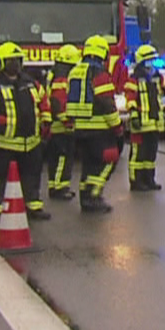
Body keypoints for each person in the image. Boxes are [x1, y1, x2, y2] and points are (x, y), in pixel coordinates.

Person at [0, 42, 51, 222]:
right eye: (10, 61)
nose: (14, 64)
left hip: (31, 142)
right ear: (0, 63)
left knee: (32, 174)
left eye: (17, 60)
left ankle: (33, 205)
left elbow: (43, 103)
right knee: (0, 177)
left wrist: (46, 121)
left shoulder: (30, 83)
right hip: (1, 143)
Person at [64, 36, 122, 213]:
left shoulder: (74, 71)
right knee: (106, 162)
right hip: (99, 129)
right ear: (103, 52)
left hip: (79, 128)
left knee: (88, 165)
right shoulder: (100, 74)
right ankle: (94, 197)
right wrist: (117, 126)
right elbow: (106, 102)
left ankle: (85, 197)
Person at [125, 44, 165, 192]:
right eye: (150, 61)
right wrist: (134, 115)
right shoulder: (134, 78)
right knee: (138, 155)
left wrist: (163, 84)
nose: (152, 64)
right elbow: (130, 98)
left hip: (154, 123)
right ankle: (136, 181)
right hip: (140, 124)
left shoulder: (156, 77)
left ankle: (149, 180)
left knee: (150, 155)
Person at [45, 44, 81, 201]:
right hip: (61, 126)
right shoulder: (62, 76)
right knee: (63, 157)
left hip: (55, 125)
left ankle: (56, 185)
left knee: (55, 159)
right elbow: (58, 100)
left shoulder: (54, 73)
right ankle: (59, 188)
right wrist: (66, 119)